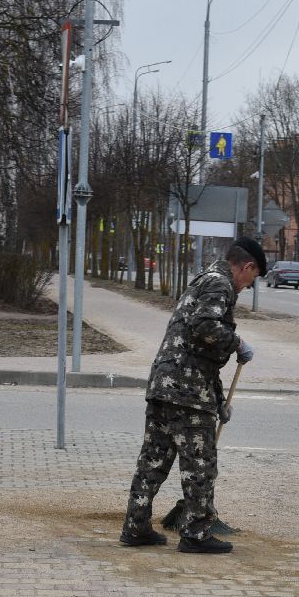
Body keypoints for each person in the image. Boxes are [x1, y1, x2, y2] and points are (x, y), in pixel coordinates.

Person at [120, 236, 266, 553]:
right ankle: (196, 533)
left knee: (152, 462)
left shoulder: (203, 279)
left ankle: (136, 526)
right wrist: (238, 343)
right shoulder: (220, 284)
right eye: (251, 279)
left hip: (164, 386)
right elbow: (206, 328)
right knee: (200, 465)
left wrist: (218, 400)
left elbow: (200, 355)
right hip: (187, 395)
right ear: (246, 266)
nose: (247, 286)